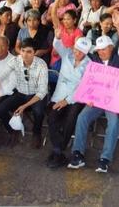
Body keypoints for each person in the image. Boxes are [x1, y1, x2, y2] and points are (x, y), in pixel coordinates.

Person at [68, 35, 119, 173]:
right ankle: (78, 153)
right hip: (96, 100)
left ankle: (105, 159)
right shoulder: (95, 60)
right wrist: (87, 97)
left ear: (111, 48)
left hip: (113, 101)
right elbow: (88, 81)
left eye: (104, 49)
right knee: (82, 117)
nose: (101, 52)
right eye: (99, 50)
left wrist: (118, 25)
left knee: (113, 123)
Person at [0, 38, 48, 150]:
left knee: (38, 112)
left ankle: (36, 133)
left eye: (29, 52)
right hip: (21, 93)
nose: (25, 54)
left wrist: (23, 107)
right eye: (23, 51)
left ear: (35, 52)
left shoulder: (41, 65)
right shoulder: (16, 61)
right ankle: (12, 131)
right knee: (0, 109)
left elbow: (42, 92)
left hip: (36, 95)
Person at [46, 37, 91, 169]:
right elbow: (57, 44)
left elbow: (83, 87)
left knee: (71, 119)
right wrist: (58, 36)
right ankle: (58, 150)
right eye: (76, 50)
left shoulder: (89, 65)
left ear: (86, 53)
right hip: (59, 95)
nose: (77, 53)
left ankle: (57, 151)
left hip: (76, 98)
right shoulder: (67, 54)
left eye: (81, 52)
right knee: (52, 117)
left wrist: (67, 101)